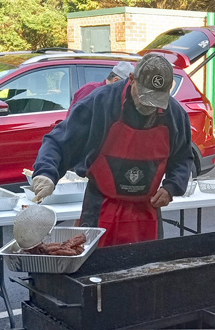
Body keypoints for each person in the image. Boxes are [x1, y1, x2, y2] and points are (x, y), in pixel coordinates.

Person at [31, 53, 193, 247]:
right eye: (144, 98)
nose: (149, 106)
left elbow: (183, 157)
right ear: (132, 79)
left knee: (146, 269)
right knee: (95, 271)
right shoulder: (100, 102)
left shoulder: (175, 114)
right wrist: (47, 173)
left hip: (147, 211)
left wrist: (171, 187)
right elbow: (59, 141)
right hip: (100, 208)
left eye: (155, 101)